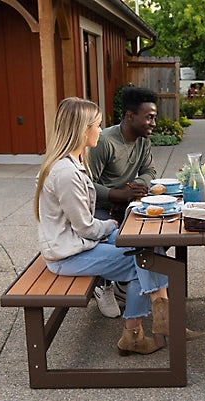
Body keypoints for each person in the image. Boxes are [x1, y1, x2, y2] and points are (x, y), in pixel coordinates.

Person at [34, 97, 199, 357]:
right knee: (143, 261)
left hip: (79, 244)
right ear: (81, 129)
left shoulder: (73, 163)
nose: (101, 130)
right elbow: (86, 228)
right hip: (68, 254)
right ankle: (138, 332)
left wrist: (110, 228)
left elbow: (84, 226)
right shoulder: (65, 173)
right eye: (97, 125)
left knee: (151, 246)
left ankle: (161, 322)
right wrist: (111, 225)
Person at [86, 86, 158, 318]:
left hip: (128, 206)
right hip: (100, 210)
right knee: (115, 244)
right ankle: (102, 285)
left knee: (157, 239)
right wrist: (116, 195)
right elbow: (86, 185)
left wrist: (137, 184)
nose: (153, 124)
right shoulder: (105, 142)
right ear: (130, 116)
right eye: (149, 117)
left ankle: (124, 283)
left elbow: (150, 170)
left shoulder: (143, 140)